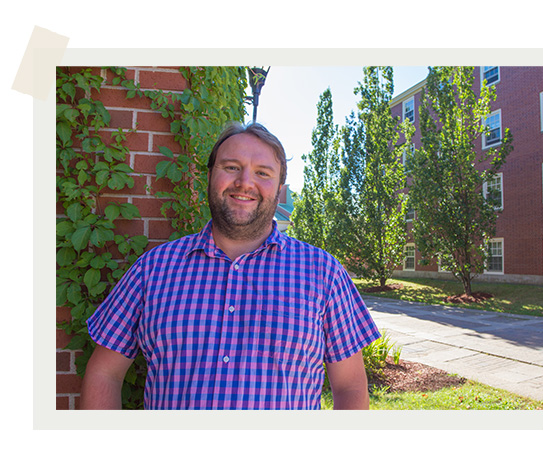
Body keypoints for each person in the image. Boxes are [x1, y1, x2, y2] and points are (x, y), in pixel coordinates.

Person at [81, 122, 381, 410]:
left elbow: (350, 387)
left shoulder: (323, 274)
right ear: (210, 176)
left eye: (262, 172)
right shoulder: (153, 270)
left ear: (279, 189)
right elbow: (104, 373)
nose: (245, 182)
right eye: (231, 167)